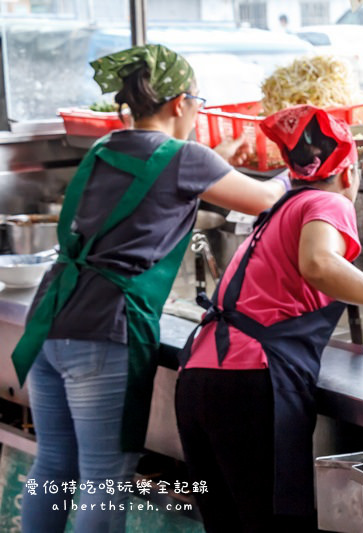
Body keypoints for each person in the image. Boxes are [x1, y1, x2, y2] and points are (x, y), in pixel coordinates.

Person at [11, 44, 287, 533]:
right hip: (103, 330)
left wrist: (217, 160)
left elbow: (165, 191)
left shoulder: (104, 147)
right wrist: (306, 171)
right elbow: (266, 197)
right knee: (104, 480)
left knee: (53, 467)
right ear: (180, 103)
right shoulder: (185, 158)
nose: (199, 113)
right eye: (199, 103)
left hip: (49, 319)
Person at [175, 105, 363, 531]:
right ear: (349, 173)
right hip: (250, 385)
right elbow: (319, 264)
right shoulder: (326, 201)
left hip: (199, 378)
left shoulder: (280, 208)